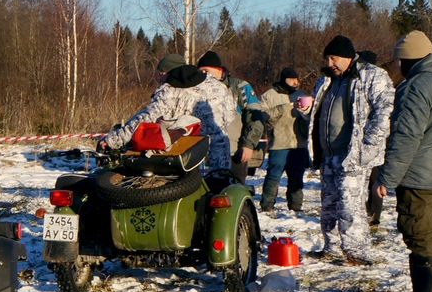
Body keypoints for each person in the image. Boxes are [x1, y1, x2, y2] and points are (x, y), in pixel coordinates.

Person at [308, 34, 393, 264]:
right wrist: (307, 108)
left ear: (347, 56)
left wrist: (369, 145)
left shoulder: (372, 75)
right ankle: (332, 248)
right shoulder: (327, 79)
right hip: (328, 155)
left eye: (333, 58)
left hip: (353, 155)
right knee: (329, 206)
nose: (329, 64)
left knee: (350, 206)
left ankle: (357, 253)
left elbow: (384, 111)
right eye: (327, 59)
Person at [375, 31, 432, 292]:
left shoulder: (415, 86)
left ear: (408, 59)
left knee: (421, 237)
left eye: (399, 60)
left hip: (420, 179)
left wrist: (388, 177)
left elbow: (406, 136)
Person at [100, 53, 235, 171]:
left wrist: (112, 140)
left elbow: (145, 119)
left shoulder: (169, 90)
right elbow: (231, 114)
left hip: (184, 158)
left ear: (166, 73)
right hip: (219, 156)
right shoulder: (220, 86)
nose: (159, 80)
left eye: (160, 75)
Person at [197, 51, 266, 182]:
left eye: (206, 71)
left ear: (219, 70)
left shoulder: (239, 87)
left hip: (234, 153)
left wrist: (248, 144)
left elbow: (254, 117)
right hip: (201, 154)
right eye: (200, 72)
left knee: (232, 192)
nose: (204, 75)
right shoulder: (194, 89)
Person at [256, 67, 310, 212]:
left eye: (296, 80)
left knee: (297, 176)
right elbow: (262, 116)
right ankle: (267, 204)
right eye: (291, 79)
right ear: (283, 80)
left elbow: (310, 117)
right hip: (279, 143)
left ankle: (296, 205)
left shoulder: (301, 95)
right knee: (274, 175)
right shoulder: (269, 96)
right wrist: (282, 108)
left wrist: (307, 111)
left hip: (299, 143)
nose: (294, 83)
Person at [357, 50, 387, 228]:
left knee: (375, 180)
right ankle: (366, 213)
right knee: (365, 181)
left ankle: (374, 215)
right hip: (360, 141)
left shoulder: (378, 81)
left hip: (375, 142)